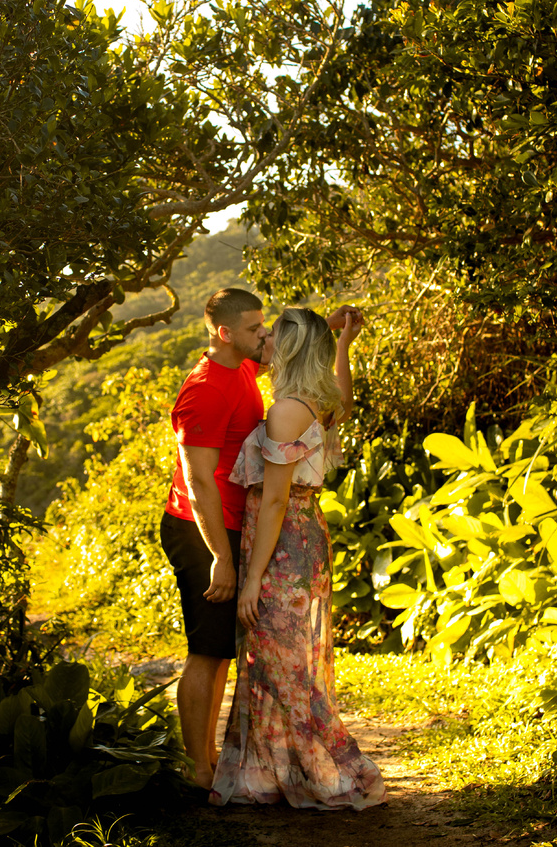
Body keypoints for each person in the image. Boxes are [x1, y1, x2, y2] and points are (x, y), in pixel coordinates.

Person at [163, 290, 360, 790]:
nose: (265, 336)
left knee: (229, 651)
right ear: (226, 334)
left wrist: (328, 329)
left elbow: (298, 358)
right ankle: (198, 768)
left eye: (269, 329)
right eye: (256, 329)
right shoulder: (205, 389)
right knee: (207, 650)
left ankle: (216, 759)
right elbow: (198, 480)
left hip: (250, 531)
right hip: (204, 530)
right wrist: (220, 557)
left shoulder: (245, 368)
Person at [209, 306, 386, 810]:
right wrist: (342, 343)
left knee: (282, 663)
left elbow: (275, 500)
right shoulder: (319, 399)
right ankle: (271, 772)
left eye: (271, 335)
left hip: (283, 543)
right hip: (300, 536)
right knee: (279, 657)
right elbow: (345, 397)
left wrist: (251, 581)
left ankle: (339, 771)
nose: (263, 340)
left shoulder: (286, 410)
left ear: (286, 349)